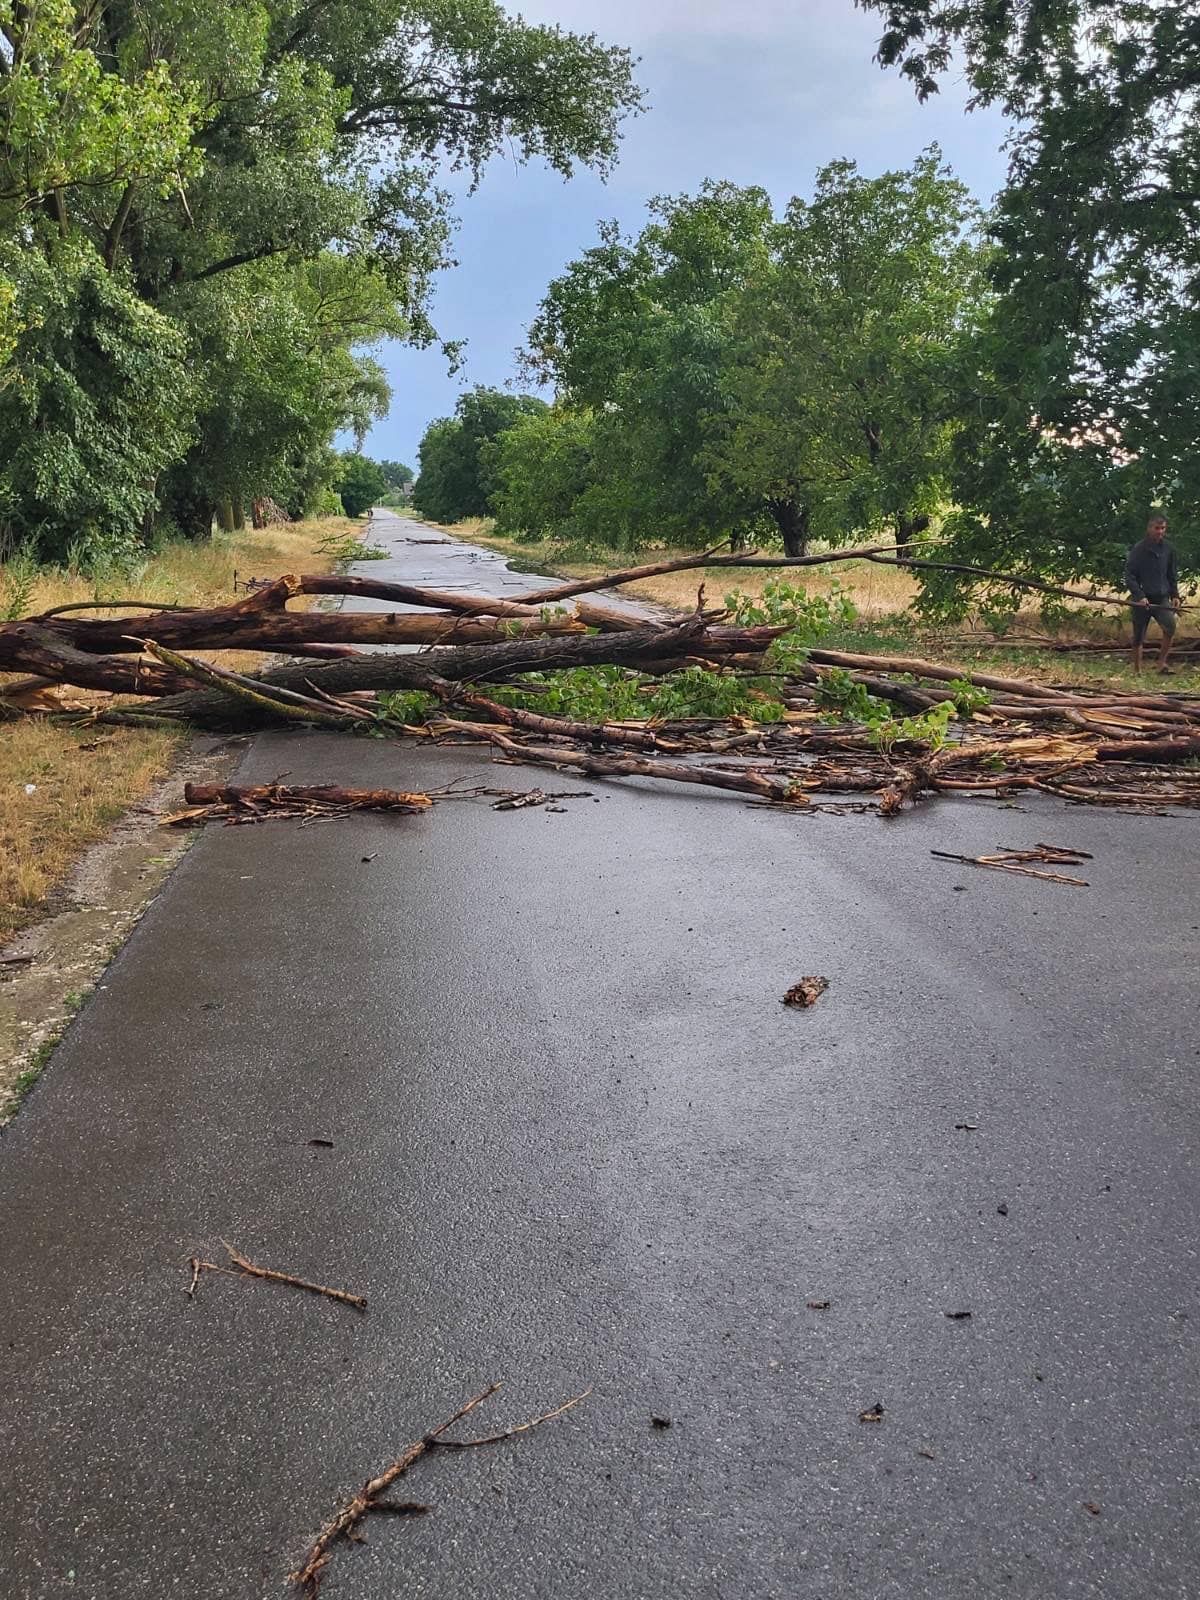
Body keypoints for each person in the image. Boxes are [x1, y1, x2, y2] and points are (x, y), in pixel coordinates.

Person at [1124, 514, 1181, 674]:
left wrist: (1175, 595)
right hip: (1141, 599)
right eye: (1157, 528)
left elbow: (1172, 574)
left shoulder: (1168, 549)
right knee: (1138, 636)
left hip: (1161, 597)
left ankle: (1161, 664)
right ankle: (1137, 671)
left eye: (1163, 528)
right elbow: (1129, 575)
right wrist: (1140, 595)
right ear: (1149, 529)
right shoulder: (1139, 549)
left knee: (1170, 627)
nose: (1160, 531)